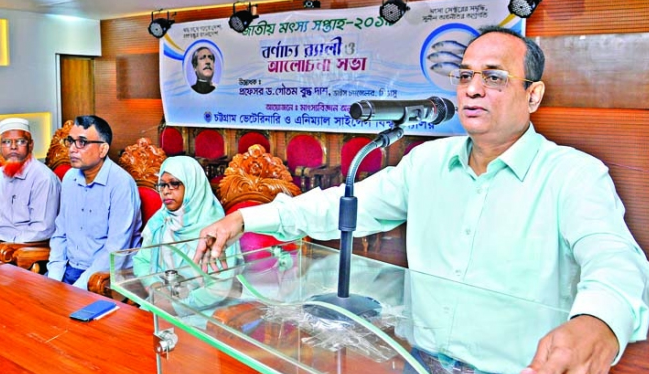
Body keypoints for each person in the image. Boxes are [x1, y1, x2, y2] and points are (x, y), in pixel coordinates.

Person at [191, 26, 649, 374]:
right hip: (421, 359)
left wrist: (599, 322)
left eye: (493, 77)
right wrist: (247, 220)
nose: (472, 88)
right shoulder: (427, 162)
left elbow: (614, 259)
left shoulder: (573, 175)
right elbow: (343, 207)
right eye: (465, 75)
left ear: (533, 95)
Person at [46, 115, 142, 290]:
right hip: (67, 269)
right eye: (71, 141)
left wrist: (77, 288)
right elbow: (60, 233)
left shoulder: (121, 184)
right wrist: (54, 278)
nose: (73, 149)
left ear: (103, 149)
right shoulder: (69, 178)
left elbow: (115, 252)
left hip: (103, 278)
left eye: (82, 142)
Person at [132, 156, 240, 310]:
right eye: (162, 185)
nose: (166, 191)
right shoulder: (160, 221)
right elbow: (140, 261)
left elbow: (218, 289)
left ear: (192, 185)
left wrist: (177, 307)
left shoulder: (219, 229)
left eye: (174, 184)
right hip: (159, 303)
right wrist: (156, 287)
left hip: (204, 313)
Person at [0, 118, 61, 254]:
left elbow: (42, 230)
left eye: (20, 141)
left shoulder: (43, 178)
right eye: (7, 142)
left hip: (24, 251)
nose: (13, 147)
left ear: (31, 145)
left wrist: (7, 248)